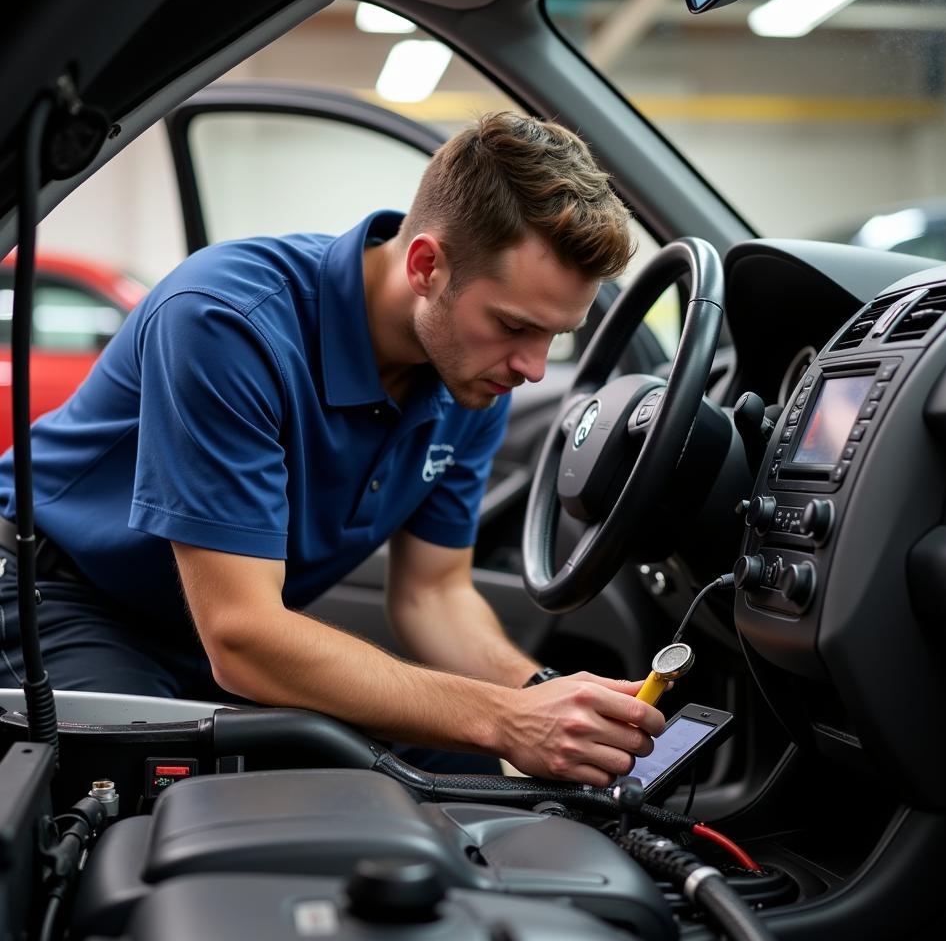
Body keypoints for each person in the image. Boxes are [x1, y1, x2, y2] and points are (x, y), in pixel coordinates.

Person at [0, 111, 665, 784]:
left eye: (554, 336)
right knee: (144, 805)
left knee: (467, 772)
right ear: (427, 265)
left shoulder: (469, 375)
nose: (530, 366)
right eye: (514, 326)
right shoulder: (229, 320)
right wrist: (504, 718)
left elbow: (432, 595)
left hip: (212, 630)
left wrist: (543, 698)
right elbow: (244, 637)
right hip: (56, 595)